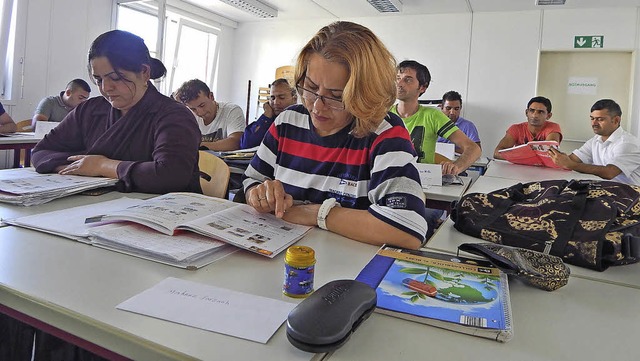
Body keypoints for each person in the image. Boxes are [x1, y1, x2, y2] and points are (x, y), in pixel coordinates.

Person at [242, 21, 427, 249]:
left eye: (337, 96)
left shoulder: (384, 133)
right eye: (310, 87)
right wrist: (258, 195)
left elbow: (408, 228)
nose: (317, 107)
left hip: (344, 271)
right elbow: (252, 180)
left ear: (364, 95)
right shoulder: (288, 121)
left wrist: (317, 213)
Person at [31, 30, 201, 194]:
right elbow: (41, 152)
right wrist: (76, 169)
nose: (105, 88)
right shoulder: (90, 110)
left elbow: (171, 176)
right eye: (98, 79)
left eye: (116, 77)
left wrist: (102, 166)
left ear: (144, 72)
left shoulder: (173, 115)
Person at [391, 60, 481, 175]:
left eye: (408, 79)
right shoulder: (384, 114)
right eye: (398, 78)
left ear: (423, 87)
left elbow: (474, 148)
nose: (400, 83)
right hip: (388, 181)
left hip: (421, 182)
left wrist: (456, 166)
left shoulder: (432, 116)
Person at [549, 99, 640, 184]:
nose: (594, 123)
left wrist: (571, 165)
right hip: (607, 190)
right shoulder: (595, 140)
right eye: (592, 118)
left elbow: (609, 172)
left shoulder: (628, 143)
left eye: (600, 119)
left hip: (631, 194)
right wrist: (551, 155)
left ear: (616, 120)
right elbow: (572, 159)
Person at [176, 79, 245, 151]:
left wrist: (199, 145)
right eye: (193, 109)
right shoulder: (189, 115)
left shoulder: (232, 110)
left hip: (223, 162)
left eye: (202, 105)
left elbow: (235, 143)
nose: (200, 113)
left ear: (211, 96)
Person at [494, 96, 562, 159]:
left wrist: (517, 156)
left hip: (543, 170)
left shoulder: (553, 128)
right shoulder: (516, 129)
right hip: (518, 169)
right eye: (532, 110)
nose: (535, 115)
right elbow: (497, 153)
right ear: (526, 112)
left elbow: (550, 155)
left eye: (540, 112)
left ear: (548, 116)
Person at [240, 78, 297, 149]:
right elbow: (246, 144)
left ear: (294, 99)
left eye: (281, 97)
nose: (276, 102)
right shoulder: (268, 120)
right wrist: (267, 115)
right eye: (272, 98)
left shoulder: (301, 123)